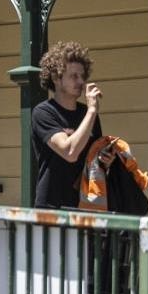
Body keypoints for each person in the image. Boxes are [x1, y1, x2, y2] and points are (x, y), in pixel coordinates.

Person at [30, 41, 103, 210]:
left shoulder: (87, 113)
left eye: (82, 76)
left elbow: (94, 159)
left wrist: (106, 157)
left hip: (85, 204)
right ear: (56, 78)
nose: (80, 82)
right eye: (73, 76)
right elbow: (69, 152)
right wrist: (92, 110)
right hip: (52, 206)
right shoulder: (43, 112)